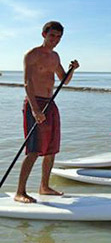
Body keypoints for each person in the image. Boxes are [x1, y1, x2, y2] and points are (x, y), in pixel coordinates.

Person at [16, 21, 79, 203]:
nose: (55, 40)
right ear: (44, 34)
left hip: (50, 103)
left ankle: (44, 187)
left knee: (51, 149)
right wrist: (35, 110)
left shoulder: (55, 57)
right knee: (34, 150)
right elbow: (27, 82)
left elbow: (64, 80)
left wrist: (71, 70)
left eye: (59, 37)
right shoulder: (32, 54)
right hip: (34, 103)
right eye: (52, 36)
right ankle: (20, 192)